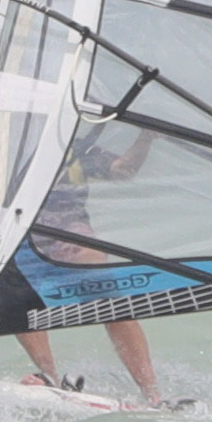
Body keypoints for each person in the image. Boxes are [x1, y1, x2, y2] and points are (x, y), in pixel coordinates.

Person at [18, 125, 166, 400]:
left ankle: (152, 394)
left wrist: (145, 137)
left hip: (70, 231)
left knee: (108, 295)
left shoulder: (79, 149)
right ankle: (49, 375)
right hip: (21, 234)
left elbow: (124, 170)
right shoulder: (11, 148)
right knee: (17, 297)